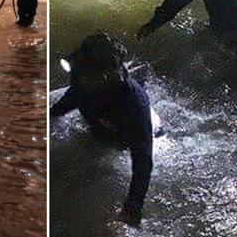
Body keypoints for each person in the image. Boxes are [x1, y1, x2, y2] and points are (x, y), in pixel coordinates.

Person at [51, 33, 161, 226]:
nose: (78, 74)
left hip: (135, 136)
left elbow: (143, 162)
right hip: (103, 124)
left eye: (85, 71)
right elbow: (68, 102)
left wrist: (132, 207)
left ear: (104, 75)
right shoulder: (82, 77)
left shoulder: (134, 104)